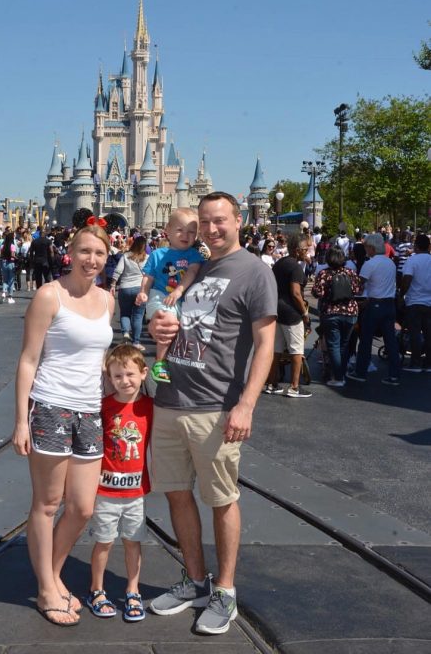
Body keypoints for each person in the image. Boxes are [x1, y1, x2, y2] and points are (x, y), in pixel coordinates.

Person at [147, 192, 277, 635]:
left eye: (220, 220)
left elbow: (265, 344)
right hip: (167, 399)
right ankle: (195, 580)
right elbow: (171, 321)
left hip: (214, 406)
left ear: (238, 220)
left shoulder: (255, 272)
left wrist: (246, 404)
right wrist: (159, 327)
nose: (211, 228)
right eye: (205, 221)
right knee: (176, 494)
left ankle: (224, 591)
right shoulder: (191, 268)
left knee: (222, 499)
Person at [12, 223, 115, 627]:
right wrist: (21, 419)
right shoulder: (48, 296)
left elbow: (100, 361)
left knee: (84, 507)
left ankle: (52, 574)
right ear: (70, 252)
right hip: (52, 406)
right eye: (85, 251)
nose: (92, 260)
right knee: (48, 503)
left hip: (90, 411)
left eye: (100, 254)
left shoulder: (108, 301)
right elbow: (27, 360)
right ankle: (45, 589)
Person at [87, 344, 153, 621]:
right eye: (117, 376)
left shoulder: (151, 407)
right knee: (104, 542)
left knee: (132, 541)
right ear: (108, 378)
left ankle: (132, 590)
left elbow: (166, 375)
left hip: (136, 492)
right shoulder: (104, 406)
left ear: (143, 374)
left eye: (129, 374)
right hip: (105, 491)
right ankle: (97, 590)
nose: (124, 381)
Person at [135, 208, 204, 383]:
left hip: (181, 299)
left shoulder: (194, 255)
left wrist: (180, 290)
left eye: (191, 232)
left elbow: (192, 271)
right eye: (180, 230)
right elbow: (148, 278)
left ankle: (177, 363)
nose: (185, 235)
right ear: (168, 230)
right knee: (169, 322)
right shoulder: (158, 255)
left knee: (181, 331)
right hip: (161, 296)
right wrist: (143, 292)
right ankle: (159, 363)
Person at [346, 233, 401, 385]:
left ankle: (361, 371)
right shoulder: (390, 263)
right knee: (390, 341)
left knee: (366, 339)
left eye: (366, 247)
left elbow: (359, 285)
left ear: (371, 247)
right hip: (389, 303)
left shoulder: (370, 264)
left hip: (374, 304)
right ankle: (394, 374)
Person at [264, 233, 312, 398]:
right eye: (305, 249)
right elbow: (296, 293)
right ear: (298, 250)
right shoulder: (296, 268)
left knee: (276, 349)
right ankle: (294, 386)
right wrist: (304, 313)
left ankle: (271, 382)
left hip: (276, 309)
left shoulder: (280, 263)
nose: (307, 251)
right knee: (296, 349)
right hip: (291, 312)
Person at [311, 247, 363, 386]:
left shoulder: (324, 274)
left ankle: (338, 377)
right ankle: (341, 372)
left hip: (331, 312)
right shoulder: (350, 272)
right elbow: (359, 290)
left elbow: (317, 293)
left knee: (333, 345)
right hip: (350, 312)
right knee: (344, 344)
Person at [110, 235, 149, 349]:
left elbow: (118, 271)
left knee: (125, 313)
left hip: (125, 288)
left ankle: (126, 333)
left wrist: (113, 284)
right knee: (138, 316)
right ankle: (136, 342)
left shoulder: (126, 256)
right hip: (140, 289)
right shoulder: (148, 258)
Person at [400, 233, 431, 372]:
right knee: (429, 333)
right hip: (429, 302)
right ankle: (428, 363)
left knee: (415, 333)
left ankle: (416, 362)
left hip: (414, 301)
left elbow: (406, 279)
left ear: (416, 246)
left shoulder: (412, 260)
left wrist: (401, 294)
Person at [0, 231, 17, 303]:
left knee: (5, 279)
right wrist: (16, 257)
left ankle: (3, 292)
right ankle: (10, 297)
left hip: (4, 263)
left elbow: (0, 255)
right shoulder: (12, 246)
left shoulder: (2, 246)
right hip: (11, 263)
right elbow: (13, 255)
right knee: (11, 280)